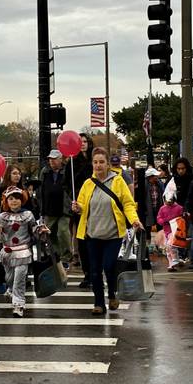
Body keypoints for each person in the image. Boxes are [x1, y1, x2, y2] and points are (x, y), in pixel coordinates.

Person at [71, 147, 143, 315]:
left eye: (101, 162)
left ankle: (112, 294)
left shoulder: (118, 182)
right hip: (92, 234)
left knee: (109, 266)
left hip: (113, 234)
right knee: (95, 271)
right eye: (95, 162)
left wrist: (134, 220)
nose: (98, 165)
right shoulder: (88, 184)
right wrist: (77, 208)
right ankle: (99, 303)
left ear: (108, 164)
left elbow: (128, 204)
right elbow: (82, 206)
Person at [0, 186, 48, 317]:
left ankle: (19, 304)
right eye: (11, 198)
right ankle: (11, 290)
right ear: (6, 201)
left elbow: (34, 229)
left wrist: (40, 230)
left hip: (23, 251)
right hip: (8, 252)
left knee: (19, 279)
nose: (14, 201)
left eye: (17, 198)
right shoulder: (2, 216)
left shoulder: (28, 215)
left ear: (22, 200)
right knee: (9, 279)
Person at [69, 133, 95, 288]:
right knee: (82, 241)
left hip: (96, 205)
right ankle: (87, 274)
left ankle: (96, 272)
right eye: (81, 142)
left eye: (85, 141)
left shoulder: (95, 160)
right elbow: (67, 183)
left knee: (95, 241)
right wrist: (73, 199)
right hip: (80, 206)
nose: (83, 144)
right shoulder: (72, 162)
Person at [38, 149, 72, 264]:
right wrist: (41, 208)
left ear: (60, 159)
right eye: (50, 159)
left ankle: (67, 256)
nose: (51, 161)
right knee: (50, 234)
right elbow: (41, 190)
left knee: (62, 232)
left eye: (54, 159)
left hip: (63, 208)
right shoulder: (44, 172)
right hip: (49, 208)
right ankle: (56, 255)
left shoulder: (67, 171)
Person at [156, 194, 184, 271]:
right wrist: (164, 221)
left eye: (170, 201)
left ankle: (173, 263)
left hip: (176, 231)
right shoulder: (162, 208)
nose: (168, 203)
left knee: (170, 246)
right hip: (166, 231)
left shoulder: (179, 208)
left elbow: (182, 218)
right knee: (169, 248)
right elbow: (159, 218)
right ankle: (174, 261)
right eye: (167, 201)